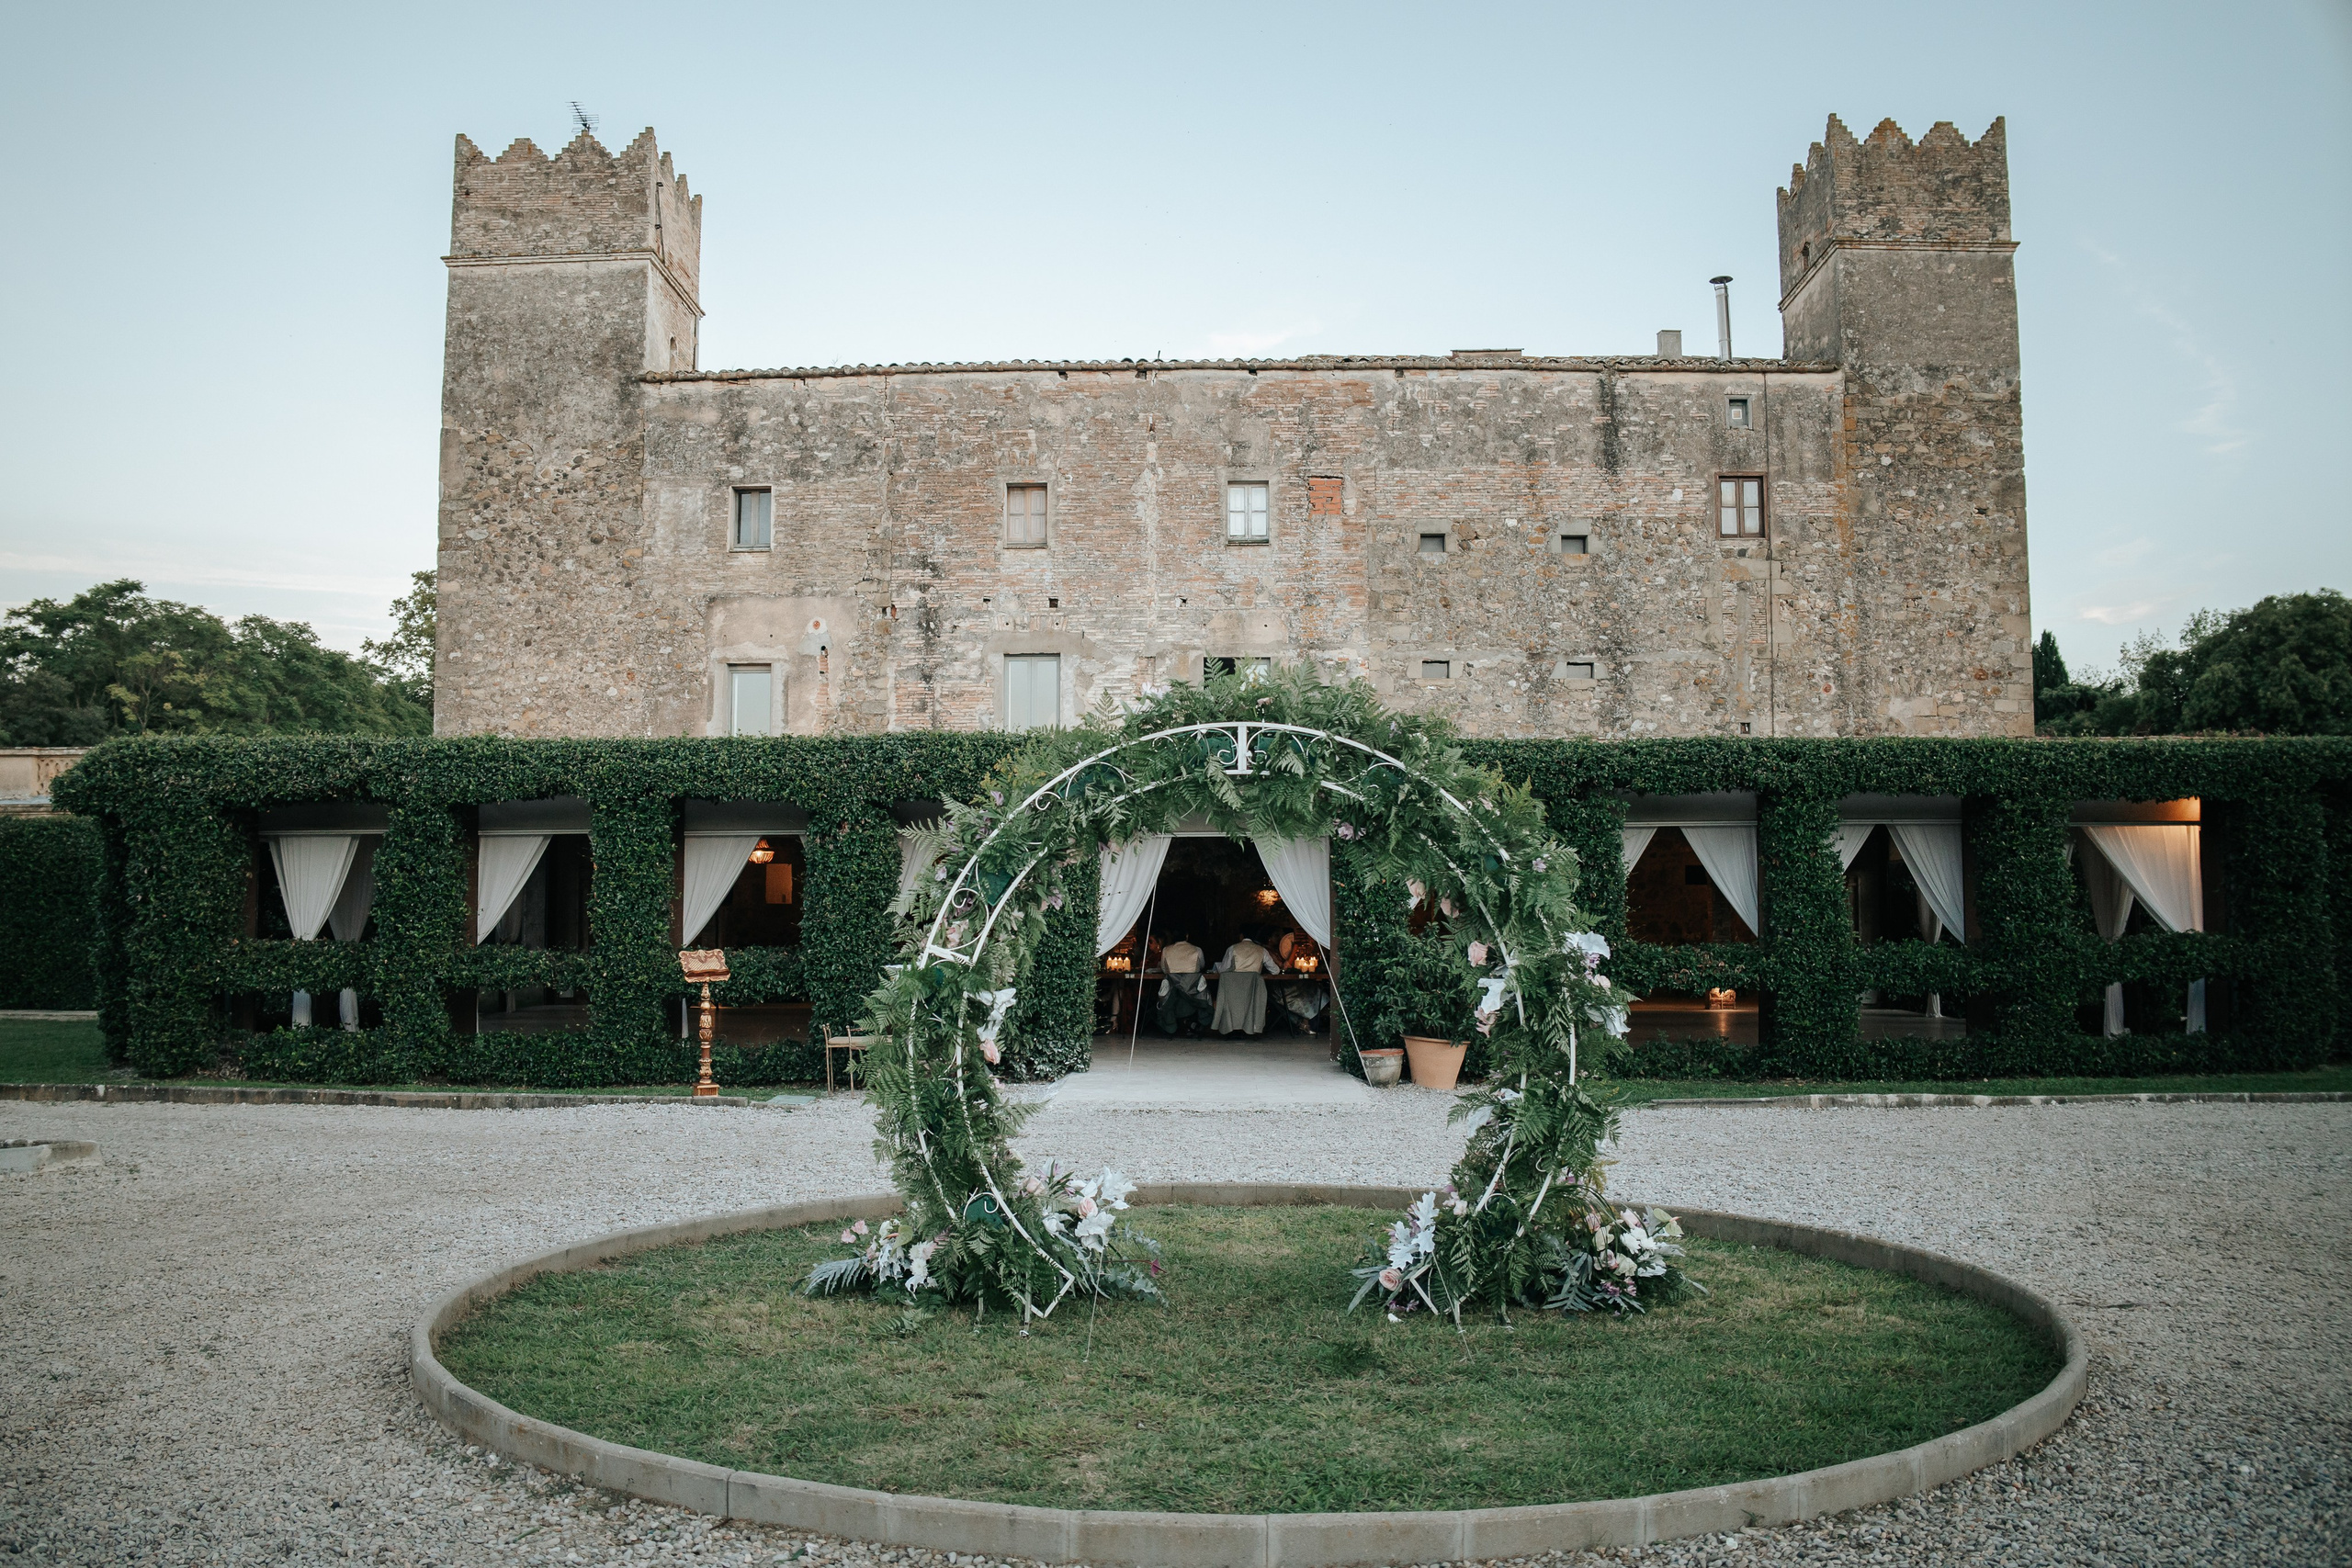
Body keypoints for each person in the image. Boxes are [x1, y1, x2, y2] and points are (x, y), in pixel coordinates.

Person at [1211, 930, 1272, 1035]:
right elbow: (1275, 970)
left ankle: (1230, 1026)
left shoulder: (1232, 949)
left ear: (1241, 936)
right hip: (1252, 993)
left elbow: (1223, 970)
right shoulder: (1262, 950)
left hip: (1233, 993)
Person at [1156, 931, 1211, 1036]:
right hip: (1193, 995)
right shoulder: (1197, 950)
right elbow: (1201, 966)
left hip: (1172, 995)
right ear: (1187, 936)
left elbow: (1164, 969)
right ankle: (1195, 1022)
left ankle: (1170, 1024)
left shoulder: (1166, 950)